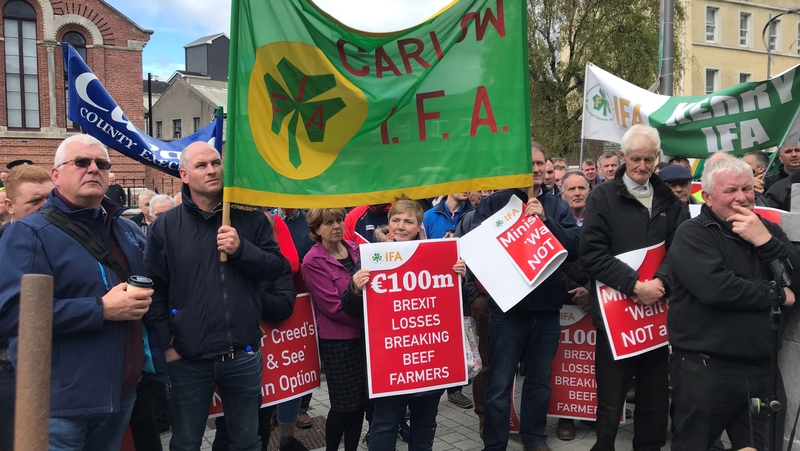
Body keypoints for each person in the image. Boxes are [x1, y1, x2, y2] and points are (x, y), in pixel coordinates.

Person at [0, 134, 167, 450]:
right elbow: (10, 313)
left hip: (121, 395)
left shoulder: (124, 228)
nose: (93, 169)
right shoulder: (28, 233)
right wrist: (101, 309)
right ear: (56, 175)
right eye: (81, 162)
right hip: (62, 407)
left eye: (102, 163)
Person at [145, 141, 286, 451]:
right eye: (201, 165)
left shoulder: (250, 218)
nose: (212, 170)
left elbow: (277, 267)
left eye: (216, 163)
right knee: (185, 442)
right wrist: (167, 344)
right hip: (188, 359)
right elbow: (154, 288)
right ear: (184, 174)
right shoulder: (166, 226)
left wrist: (242, 249)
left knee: (247, 441)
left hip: (242, 354)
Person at [668, 156, 800, 450]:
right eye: (730, 191)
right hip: (706, 369)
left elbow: (797, 280)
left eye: (746, 189)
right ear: (709, 197)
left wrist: (766, 242)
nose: (741, 197)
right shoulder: (692, 234)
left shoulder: (767, 231)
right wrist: (777, 294)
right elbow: (717, 289)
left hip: (763, 369)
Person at [580, 124, 686, 451]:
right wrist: (634, 285)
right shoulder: (601, 197)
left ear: (657, 157)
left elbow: (680, 250)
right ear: (624, 157)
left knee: (654, 398)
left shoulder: (670, 200)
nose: (642, 166)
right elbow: (592, 254)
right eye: (635, 158)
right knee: (610, 401)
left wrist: (661, 283)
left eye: (649, 159)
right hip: (616, 318)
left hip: (656, 315)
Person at [475, 142, 581, 451]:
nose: (535, 168)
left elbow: (574, 248)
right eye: (528, 163)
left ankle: (534, 438)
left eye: (539, 163)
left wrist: (546, 221)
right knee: (499, 385)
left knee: (539, 382)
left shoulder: (557, 206)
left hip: (546, 311)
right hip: (507, 313)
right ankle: (494, 444)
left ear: (546, 167)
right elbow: (477, 250)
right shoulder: (494, 203)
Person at [342, 199, 468, 450]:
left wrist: (459, 280)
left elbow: (452, 307)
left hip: (429, 361)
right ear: (388, 223)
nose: (401, 226)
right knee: (384, 423)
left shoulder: (438, 256)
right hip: (390, 363)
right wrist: (355, 287)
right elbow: (351, 309)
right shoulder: (372, 257)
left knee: (425, 423)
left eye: (408, 221)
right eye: (396, 220)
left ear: (419, 226)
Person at [301, 208, 368, 451]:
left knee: (360, 403)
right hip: (338, 343)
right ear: (316, 229)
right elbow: (333, 307)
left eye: (339, 220)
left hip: (364, 338)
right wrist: (369, 320)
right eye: (328, 222)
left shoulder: (357, 249)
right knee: (343, 406)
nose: (336, 226)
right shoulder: (312, 261)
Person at [0, 163, 54, 450]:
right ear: (10, 206)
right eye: (35, 200)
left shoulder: (66, 240)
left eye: (50, 198)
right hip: (10, 370)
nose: (45, 206)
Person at [555, 170, 592, 441]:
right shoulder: (553, 221)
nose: (577, 193)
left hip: (595, 300)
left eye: (582, 188)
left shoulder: (601, 219)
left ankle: (592, 410)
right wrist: (573, 291)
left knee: (591, 364)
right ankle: (565, 416)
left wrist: (590, 290)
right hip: (563, 301)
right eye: (572, 189)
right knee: (565, 364)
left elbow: (611, 257)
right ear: (562, 194)